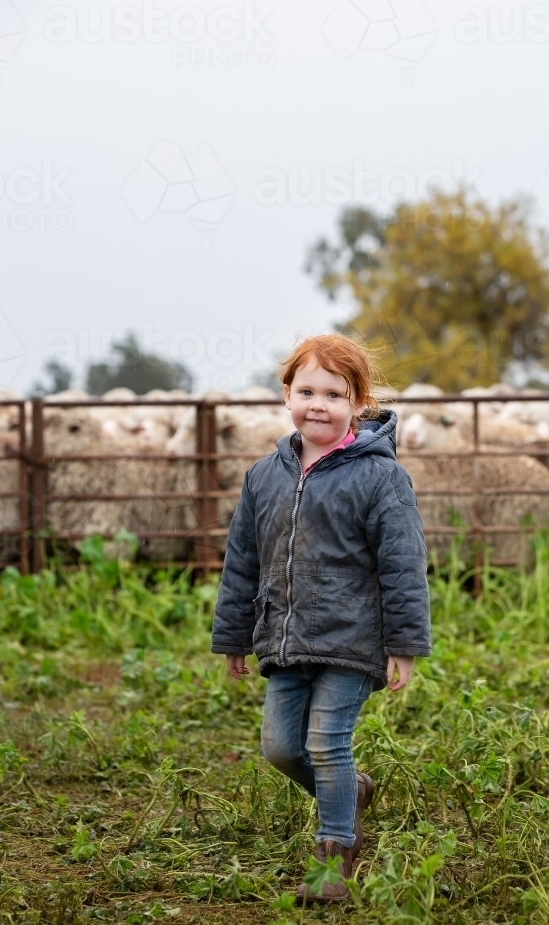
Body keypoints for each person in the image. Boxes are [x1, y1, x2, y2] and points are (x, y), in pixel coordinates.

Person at [211, 334, 431, 903]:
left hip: (355, 641)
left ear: (358, 403)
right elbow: (243, 561)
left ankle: (332, 862)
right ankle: (350, 794)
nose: (318, 403)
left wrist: (403, 643)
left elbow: (403, 566)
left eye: (334, 393)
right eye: (306, 390)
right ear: (286, 395)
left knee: (328, 743)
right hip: (285, 637)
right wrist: (234, 634)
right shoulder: (265, 476)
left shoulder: (382, 478)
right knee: (282, 747)